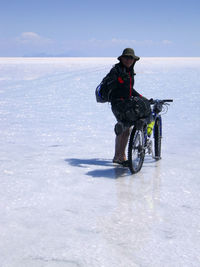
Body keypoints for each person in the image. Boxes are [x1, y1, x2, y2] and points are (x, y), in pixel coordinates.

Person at [99, 48, 151, 166]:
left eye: (131, 58)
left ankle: (119, 156)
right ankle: (120, 157)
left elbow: (129, 89)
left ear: (134, 60)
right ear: (121, 58)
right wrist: (119, 80)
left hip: (125, 103)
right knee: (126, 128)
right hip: (118, 104)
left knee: (125, 129)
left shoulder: (128, 71)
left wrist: (142, 97)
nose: (129, 60)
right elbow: (112, 86)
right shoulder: (116, 71)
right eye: (126, 58)